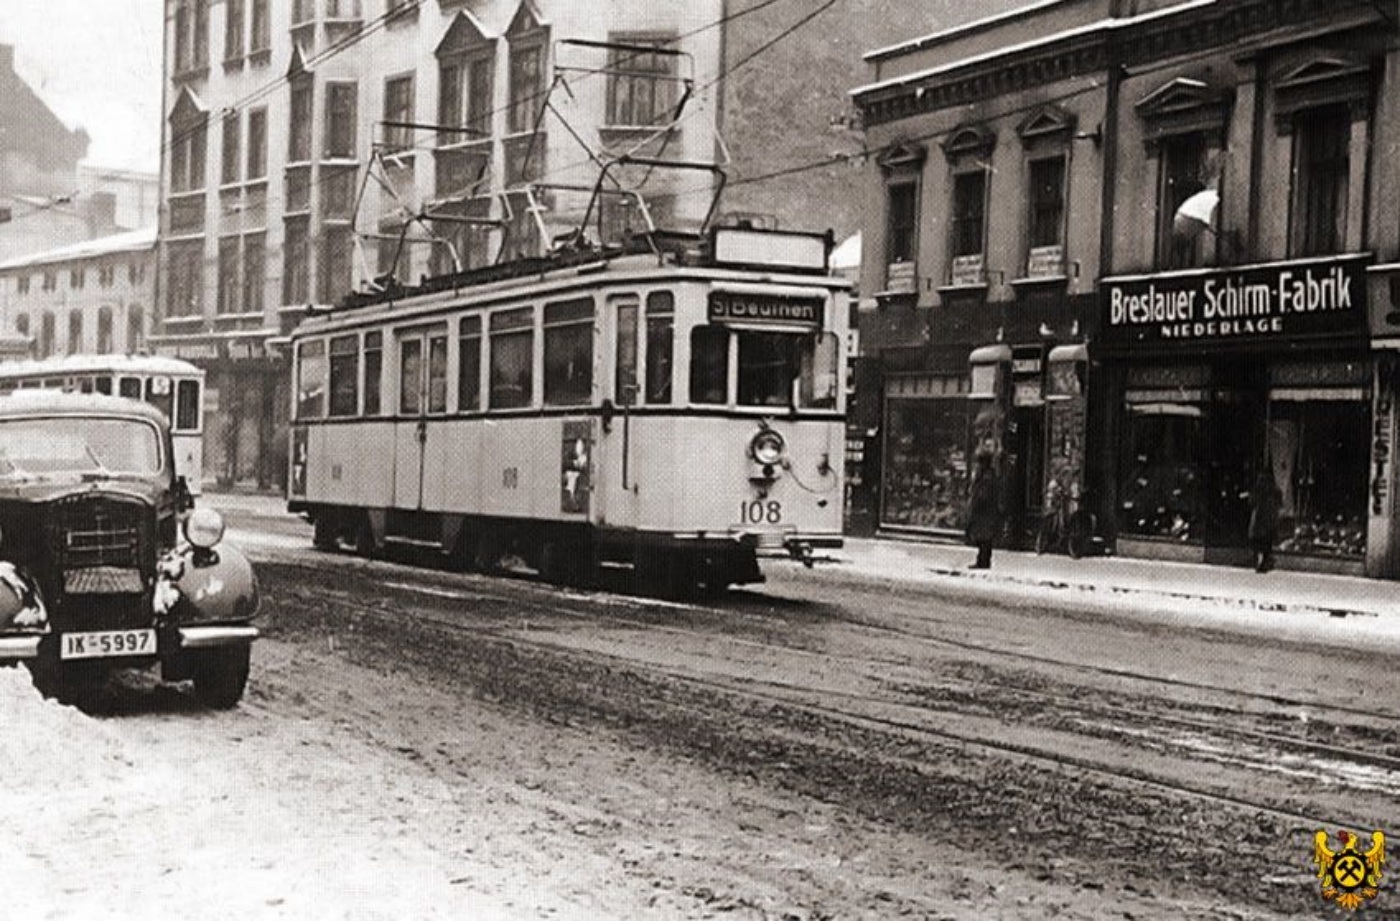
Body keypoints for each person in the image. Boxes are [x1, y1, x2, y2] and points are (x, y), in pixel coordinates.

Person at [966, 452, 1000, 569]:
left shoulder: (986, 476)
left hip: (984, 512)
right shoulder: (988, 475)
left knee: (984, 537)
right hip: (986, 511)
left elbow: (983, 495)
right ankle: (982, 560)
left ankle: (983, 561)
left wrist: (975, 504)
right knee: (983, 537)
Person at [1247, 471, 1282, 573]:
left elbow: (1252, 502)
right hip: (1270, 520)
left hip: (1260, 519)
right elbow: (1279, 505)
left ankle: (1260, 561)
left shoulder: (1258, 490)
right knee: (1267, 542)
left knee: (1257, 541)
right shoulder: (1276, 491)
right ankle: (1265, 561)